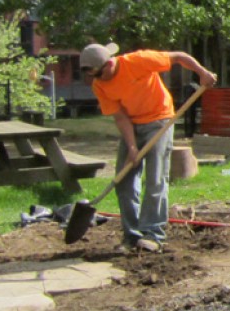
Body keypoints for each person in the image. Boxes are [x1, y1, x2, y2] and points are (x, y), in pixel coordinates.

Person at [80, 43, 217, 253]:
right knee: (124, 180)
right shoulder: (99, 84)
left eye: (99, 74)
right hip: (132, 125)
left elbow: (179, 56)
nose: (97, 80)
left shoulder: (139, 61)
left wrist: (203, 73)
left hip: (159, 120)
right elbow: (120, 116)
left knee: (155, 177)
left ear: (108, 64)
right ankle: (132, 236)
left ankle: (153, 234)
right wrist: (132, 146)